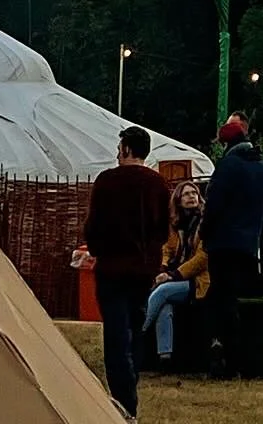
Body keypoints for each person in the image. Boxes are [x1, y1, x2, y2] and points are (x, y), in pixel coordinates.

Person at [83, 125, 171, 416]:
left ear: (125, 149)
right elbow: (162, 229)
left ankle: (123, 402)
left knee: (116, 336)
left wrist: (96, 249)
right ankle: (130, 384)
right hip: (142, 271)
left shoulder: (107, 182)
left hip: (112, 269)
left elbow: (94, 226)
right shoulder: (158, 184)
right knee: (136, 329)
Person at [201, 115, 263, 378]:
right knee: (233, 299)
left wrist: (204, 234)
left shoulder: (228, 165)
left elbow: (214, 205)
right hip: (248, 246)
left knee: (219, 299)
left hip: (223, 243)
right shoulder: (262, 168)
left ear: (226, 143)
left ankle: (223, 358)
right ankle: (238, 360)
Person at [144, 180, 208, 363]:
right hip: (176, 276)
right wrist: (163, 268)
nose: (191, 197)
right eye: (186, 194)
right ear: (178, 200)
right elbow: (168, 250)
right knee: (164, 306)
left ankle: (136, 334)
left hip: (197, 279)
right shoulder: (176, 224)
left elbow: (202, 259)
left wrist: (172, 275)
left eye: (194, 193)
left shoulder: (204, 224)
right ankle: (165, 356)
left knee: (162, 291)